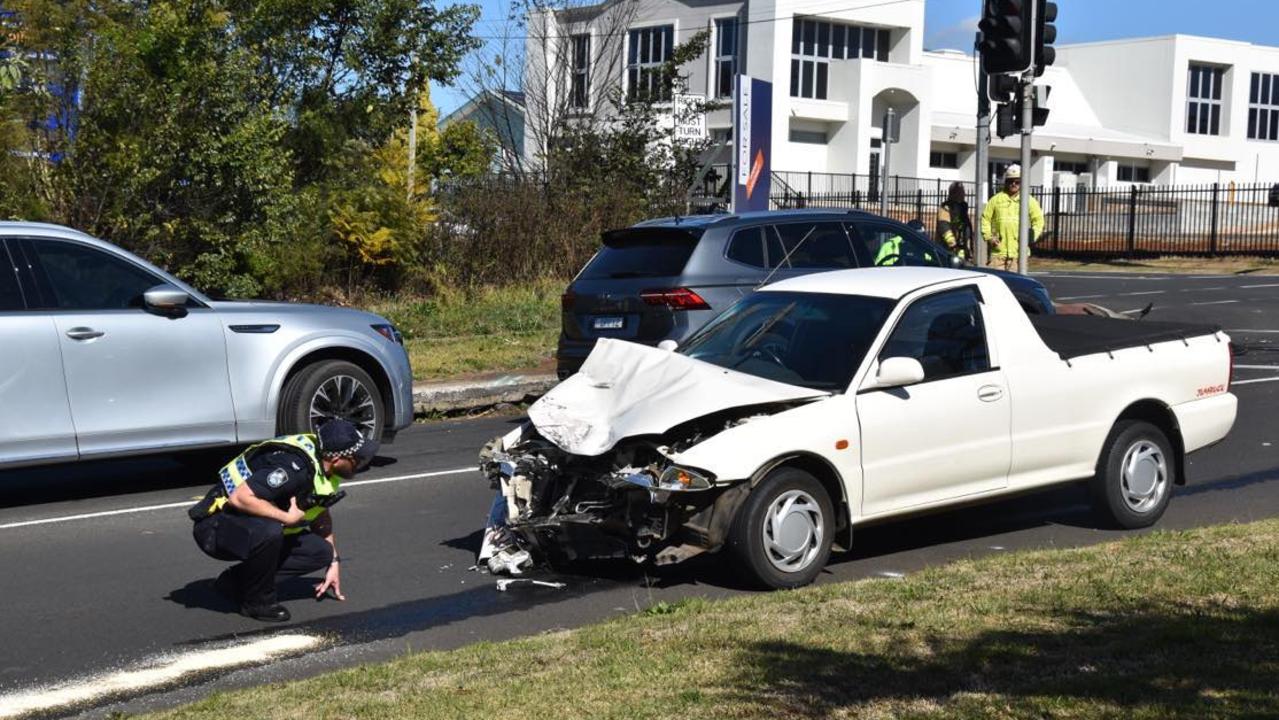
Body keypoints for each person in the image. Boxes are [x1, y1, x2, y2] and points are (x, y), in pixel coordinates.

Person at [189, 419, 377, 621]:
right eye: (357, 459)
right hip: (215, 528)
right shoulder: (293, 469)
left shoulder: (323, 469)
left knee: (321, 551)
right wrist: (287, 517)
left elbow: (320, 513)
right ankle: (257, 603)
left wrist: (333, 561)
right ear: (337, 459)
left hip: (244, 524)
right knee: (270, 531)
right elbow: (240, 497)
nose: (362, 464)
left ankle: (234, 582)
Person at [980, 164, 1044, 271]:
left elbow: (1038, 220)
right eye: (1010, 181)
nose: (1013, 184)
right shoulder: (996, 200)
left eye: (1017, 181)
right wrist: (989, 237)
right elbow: (985, 218)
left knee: (1015, 286)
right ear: (1006, 182)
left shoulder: (1028, 200)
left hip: (1019, 254)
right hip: (998, 254)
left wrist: (1030, 237)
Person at [936, 182, 973, 260]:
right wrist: (953, 244)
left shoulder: (963, 207)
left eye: (963, 191)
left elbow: (966, 225)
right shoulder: (946, 207)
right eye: (960, 192)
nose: (963, 194)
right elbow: (944, 227)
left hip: (960, 247)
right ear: (953, 193)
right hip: (947, 249)